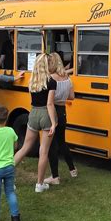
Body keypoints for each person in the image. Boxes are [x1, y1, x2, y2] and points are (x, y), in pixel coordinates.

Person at [14, 53, 58, 193]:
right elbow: (50, 104)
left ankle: (8, 178)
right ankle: (39, 184)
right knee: (43, 151)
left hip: (33, 113)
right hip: (45, 114)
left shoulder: (32, 80)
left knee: (25, 147)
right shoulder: (51, 81)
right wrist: (53, 123)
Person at [45, 52, 77, 185]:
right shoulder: (67, 78)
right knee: (62, 142)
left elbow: (49, 100)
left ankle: (55, 176)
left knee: (52, 145)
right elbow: (72, 96)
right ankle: (72, 169)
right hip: (63, 110)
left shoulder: (50, 78)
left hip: (52, 110)